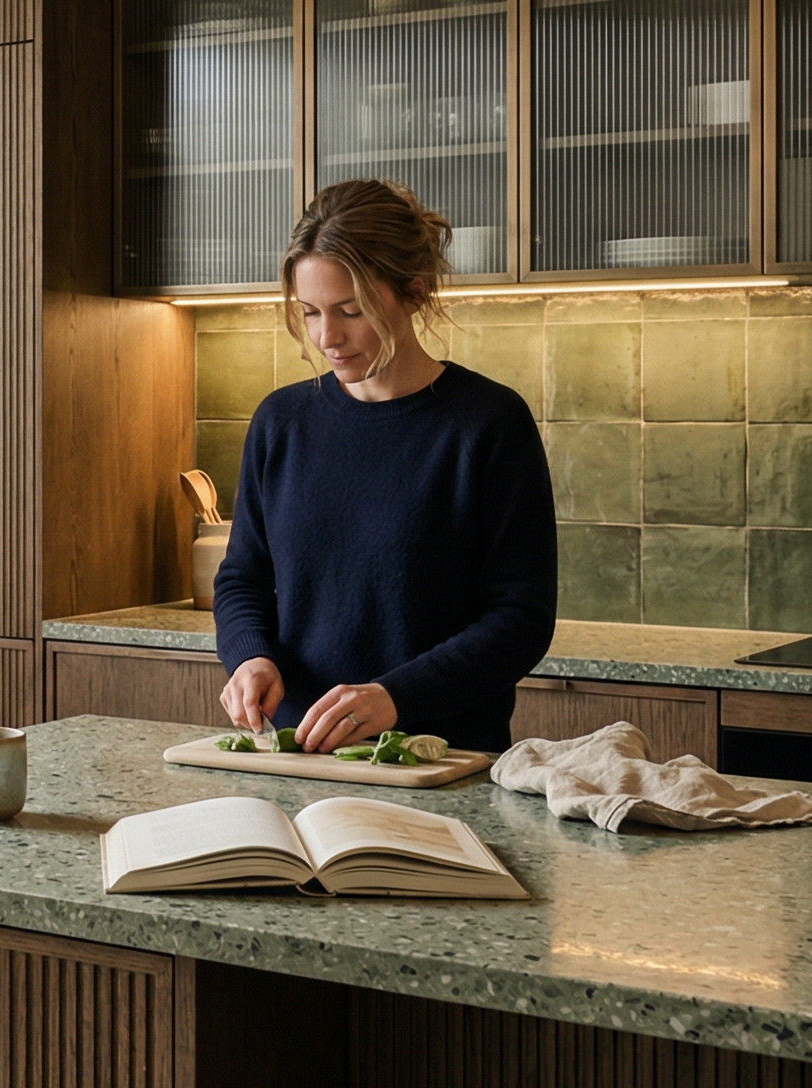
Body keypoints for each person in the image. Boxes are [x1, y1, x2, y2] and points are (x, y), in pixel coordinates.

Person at [213, 179, 556, 757]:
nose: (327, 337)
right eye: (310, 313)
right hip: (298, 756)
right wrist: (249, 655)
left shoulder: (488, 424)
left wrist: (396, 697)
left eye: (351, 311)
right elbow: (243, 577)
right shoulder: (281, 422)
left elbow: (521, 619)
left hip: (441, 760)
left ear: (414, 292)